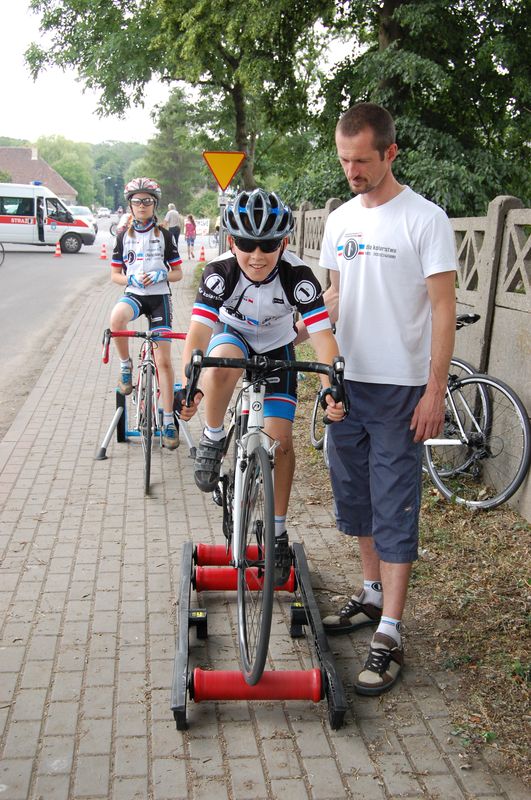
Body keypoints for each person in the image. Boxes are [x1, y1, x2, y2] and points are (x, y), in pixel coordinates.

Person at [296, 103, 457, 695]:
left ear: (390, 153)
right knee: (357, 497)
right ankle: (369, 593)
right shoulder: (339, 220)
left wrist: (433, 391)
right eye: (344, 160)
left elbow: (443, 309)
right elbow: (332, 298)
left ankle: (390, 630)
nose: (352, 171)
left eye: (362, 160)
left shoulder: (425, 219)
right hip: (347, 383)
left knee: (394, 505)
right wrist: (319, 368)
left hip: (401, 390)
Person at [177, 188, 345, 585]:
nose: (257, 255)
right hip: (233, 336)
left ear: (283, 242)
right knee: (218, 369)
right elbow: (199, 331)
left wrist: (331, 388)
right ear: (231, 242)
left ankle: (278, 530)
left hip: (278, 349)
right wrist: (189, 383)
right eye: (247, 244)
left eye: (267, 245)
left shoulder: (298, 276)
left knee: (281, 442)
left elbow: (323, 340)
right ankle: (214, 436)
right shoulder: (220, 272)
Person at [109, 177, 184, 449]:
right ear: (130, 205)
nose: (142, 205)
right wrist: (131, 280)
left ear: (155, 205)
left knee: (163, 361)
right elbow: (115, 274)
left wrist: (163, 272)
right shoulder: (122, 236)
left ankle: (166, 420)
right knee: (116, 318)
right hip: (135, 294)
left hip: (159, 299)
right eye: (137, 201)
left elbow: (179, 272)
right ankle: (126, 366)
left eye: (148, 201)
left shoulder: (164, 235)